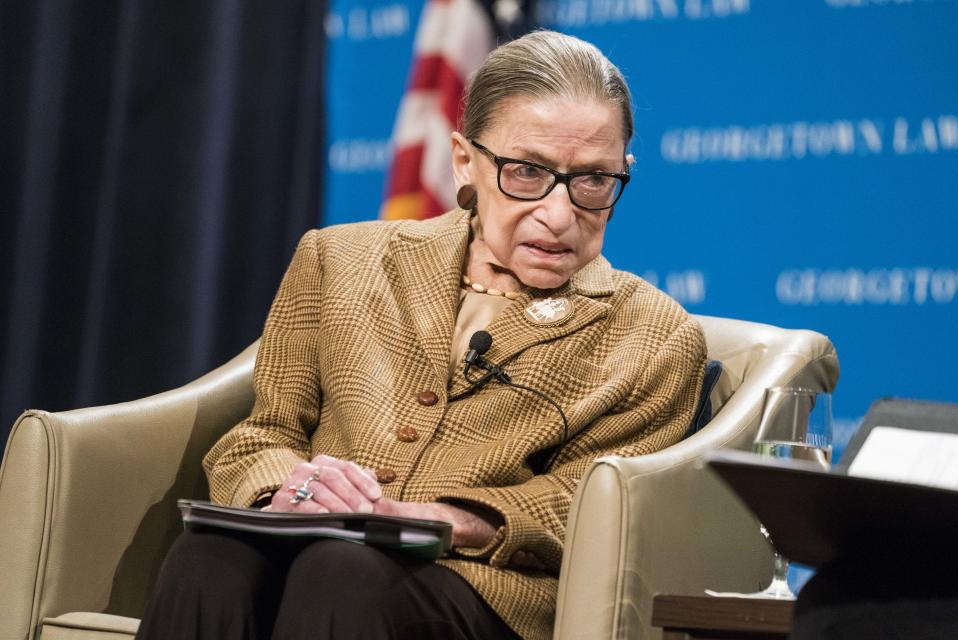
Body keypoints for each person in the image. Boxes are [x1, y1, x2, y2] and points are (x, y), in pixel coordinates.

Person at [136, 30, 707, 640]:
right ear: (465, 159)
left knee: (343, 571)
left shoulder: (653, 337)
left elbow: (592, 510)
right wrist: (290, 489)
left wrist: (444, 519)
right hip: (316, 545)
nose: (560, 213)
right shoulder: (340, 261)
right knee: (207, 559)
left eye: (594, 180)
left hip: (485, 590)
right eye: (525, 172)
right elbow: (263, 433)